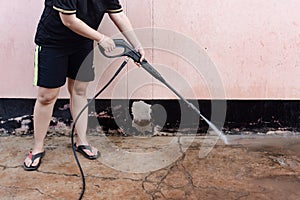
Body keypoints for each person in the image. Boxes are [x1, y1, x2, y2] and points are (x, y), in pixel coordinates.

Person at [23, 0, 145, 171]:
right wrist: (101, 37)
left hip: (82, 43)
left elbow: (117, 13)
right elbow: (69, 20)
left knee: (79, 91)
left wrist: (136, 45)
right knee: (47, 97)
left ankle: (82, 142)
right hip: (53, 43)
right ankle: (37, 148)